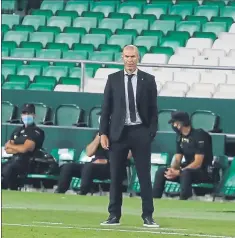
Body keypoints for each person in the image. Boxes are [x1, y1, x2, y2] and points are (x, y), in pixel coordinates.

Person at [99, 45, 159, 227]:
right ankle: (114, 215)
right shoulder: (113, 79)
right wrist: (103, 133)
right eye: (127, 56)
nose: (130, 60)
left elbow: (153, 109)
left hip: (140, 131)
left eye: (133, 56)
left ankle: (148, 216)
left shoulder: (148, 80)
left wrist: (150, 133)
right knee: (116, 175)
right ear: (122, 58)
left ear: (138, 57)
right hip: (118, 132)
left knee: (144, 176)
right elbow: (106, 108)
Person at [153, 111, 213, 200]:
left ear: (182, 123)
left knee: (185, 173)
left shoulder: (200, 135)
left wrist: (180, 172)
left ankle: (183, 200)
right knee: (162, 172)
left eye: (175, 123)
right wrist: (172, 170)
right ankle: (154, 200)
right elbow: (177, 159)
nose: (174, 125)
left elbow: (198, 163)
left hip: (203, 172)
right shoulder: (179, 137)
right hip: (186, 170)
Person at [55, 133, 132, 195]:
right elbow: (89, 153)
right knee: (68, 167)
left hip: (113, 167)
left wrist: (107, 160)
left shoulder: (121, 134)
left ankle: (83, 191)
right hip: (94, 166)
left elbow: (128, 155)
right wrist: (97, 139)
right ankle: (60, 190)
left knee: (89, 167)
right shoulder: (99, 135)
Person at [2, 103, 45, 190]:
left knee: (9, 168)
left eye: (29, 113)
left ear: (34, 115)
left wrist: (13, 146)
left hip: (27, 162)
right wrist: (18, 148)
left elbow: (25, 149)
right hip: (13, 160)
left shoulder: (37, 131)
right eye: (24, 113)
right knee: (5, 166)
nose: (26, 115)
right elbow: (7, 149)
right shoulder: (17, 130)